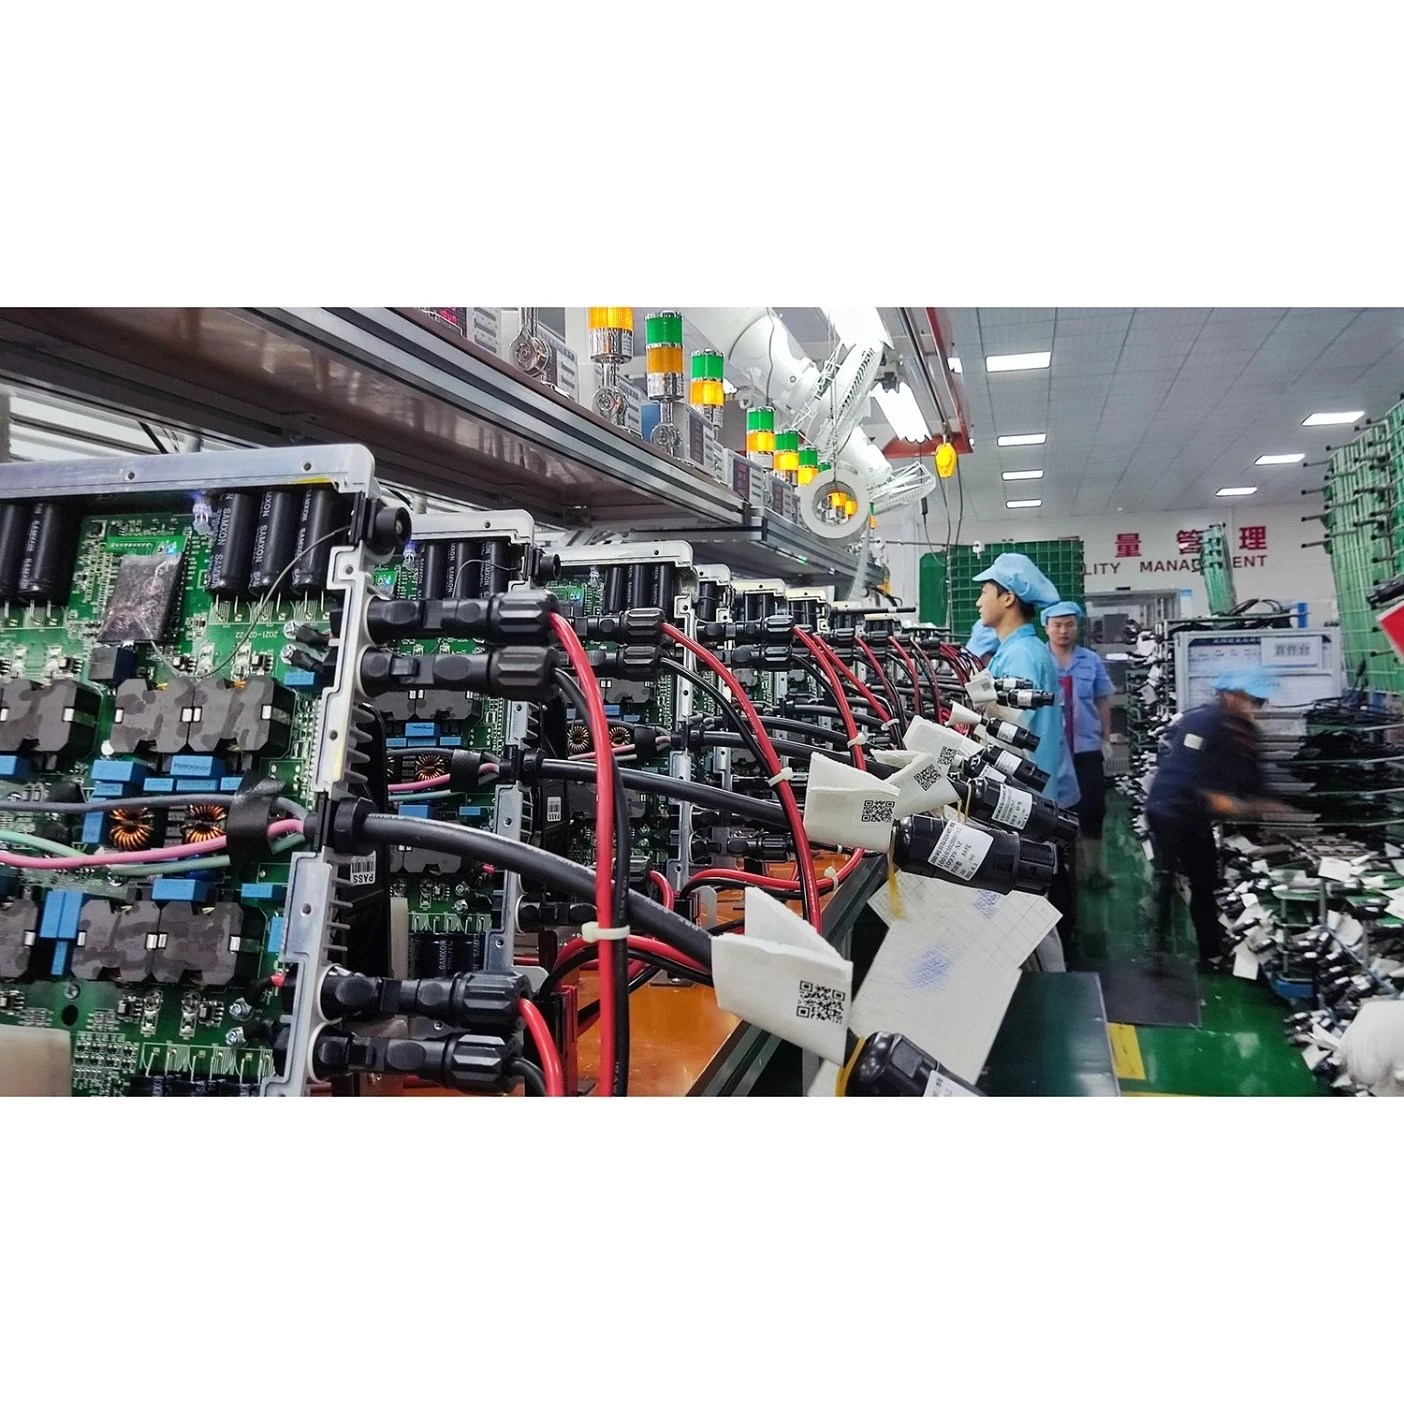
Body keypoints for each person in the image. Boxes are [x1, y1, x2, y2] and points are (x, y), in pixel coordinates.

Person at [1144, 666, 1301, 972]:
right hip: (1170, 810)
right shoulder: (1202, 722)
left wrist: (1272, 813)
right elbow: (1193, 777)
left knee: (1204, 881)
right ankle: (1158, 949)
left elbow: (1253, 781)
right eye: (1250, 699)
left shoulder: (1246, 732)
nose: (1254, 707)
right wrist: (1237, 805)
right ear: (1230, 695)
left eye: (1258, 701)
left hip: (1197, 816)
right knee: (1167, 875)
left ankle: (1211, 955)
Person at [973, 554, 1079, 969]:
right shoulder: (1022, 650)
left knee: (1024, 911)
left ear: (1008, 598)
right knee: (1026, 908)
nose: (979, 601)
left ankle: (1049, 992)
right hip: (1031, 799)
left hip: (1021, 803)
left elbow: (1010, 738)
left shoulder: (1020, 656)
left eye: (985, 591)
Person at [1043, 601, 1116, 890]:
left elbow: (1102, 700)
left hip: (1086, 748)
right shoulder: (1040, 660)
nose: (1063, 631)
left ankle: (1094, 869)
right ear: (1046, 627)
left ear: (1077, 627)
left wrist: (1105, 739)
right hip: (1052, 749)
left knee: (1093, 809)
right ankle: (1058, 869)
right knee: (1054, 811)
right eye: (1057, 625)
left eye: (1069, 625)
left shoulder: (1090, 661)